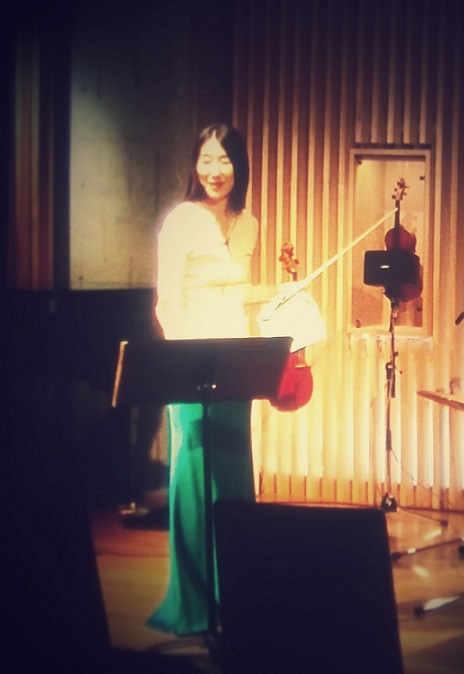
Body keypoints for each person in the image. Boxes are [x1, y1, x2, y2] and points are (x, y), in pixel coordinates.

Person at [147, 123, 259, 636]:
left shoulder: (249, 223)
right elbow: (167, 303)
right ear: (195, 165)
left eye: (225, 160)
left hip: (236, 362)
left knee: (234, 479)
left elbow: (238, 296)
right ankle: (192, 604)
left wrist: (279, 295)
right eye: (206, 160)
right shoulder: (181, 221)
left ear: (240, 166)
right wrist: (185, 363)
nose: (215, 171)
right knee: (192, 480)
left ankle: (236, 595)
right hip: (191, 365)